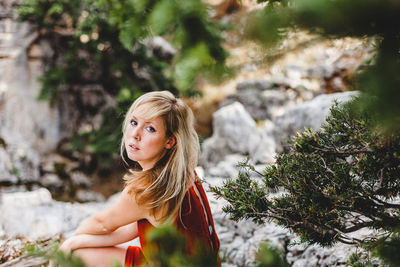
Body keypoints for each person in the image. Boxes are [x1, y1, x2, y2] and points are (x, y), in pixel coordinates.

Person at [58, 91, 220, 267]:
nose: (135, 134)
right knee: (78, 248)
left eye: (150, 128)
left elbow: (102, 224)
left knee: (78, 257)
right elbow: (132, 228)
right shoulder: (182, 173)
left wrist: (72, 243)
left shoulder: (148, 188)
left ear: (170, 141)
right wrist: (77, 242)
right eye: (134, 122)